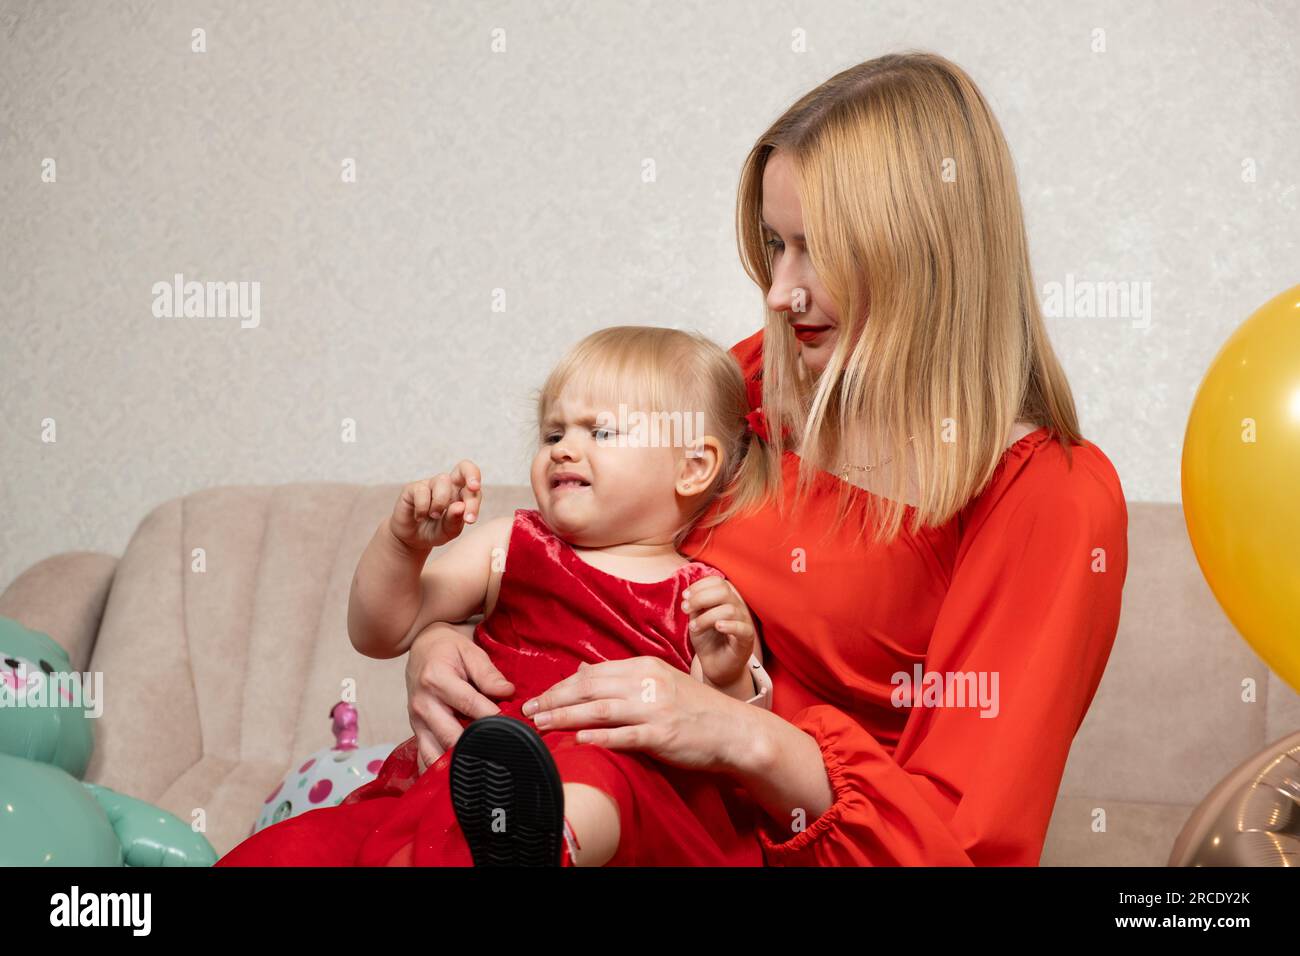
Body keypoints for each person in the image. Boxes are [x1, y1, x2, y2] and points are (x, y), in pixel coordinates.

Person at [402, 51, 1130, 866]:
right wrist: (437, 643)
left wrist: (739, 734)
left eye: (817, 250)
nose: (782, 292)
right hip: (587, 793)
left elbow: (962, 845)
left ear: (925, 254)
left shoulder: (1049, 497)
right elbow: (567, 544)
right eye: (774, 245)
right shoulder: (752, 379)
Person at [217, 326, 774, 867]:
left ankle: (540, 842)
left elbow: (729, 741)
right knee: (302, 846)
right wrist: (403, 545)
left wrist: (727, 675)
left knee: (598, 775)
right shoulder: (513, 543)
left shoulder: (705, 594)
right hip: (466, 790)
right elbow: (381, 631)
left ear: (692, 467)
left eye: (600, 433)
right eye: (553, 435)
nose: (564, 451)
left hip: (621, 803)